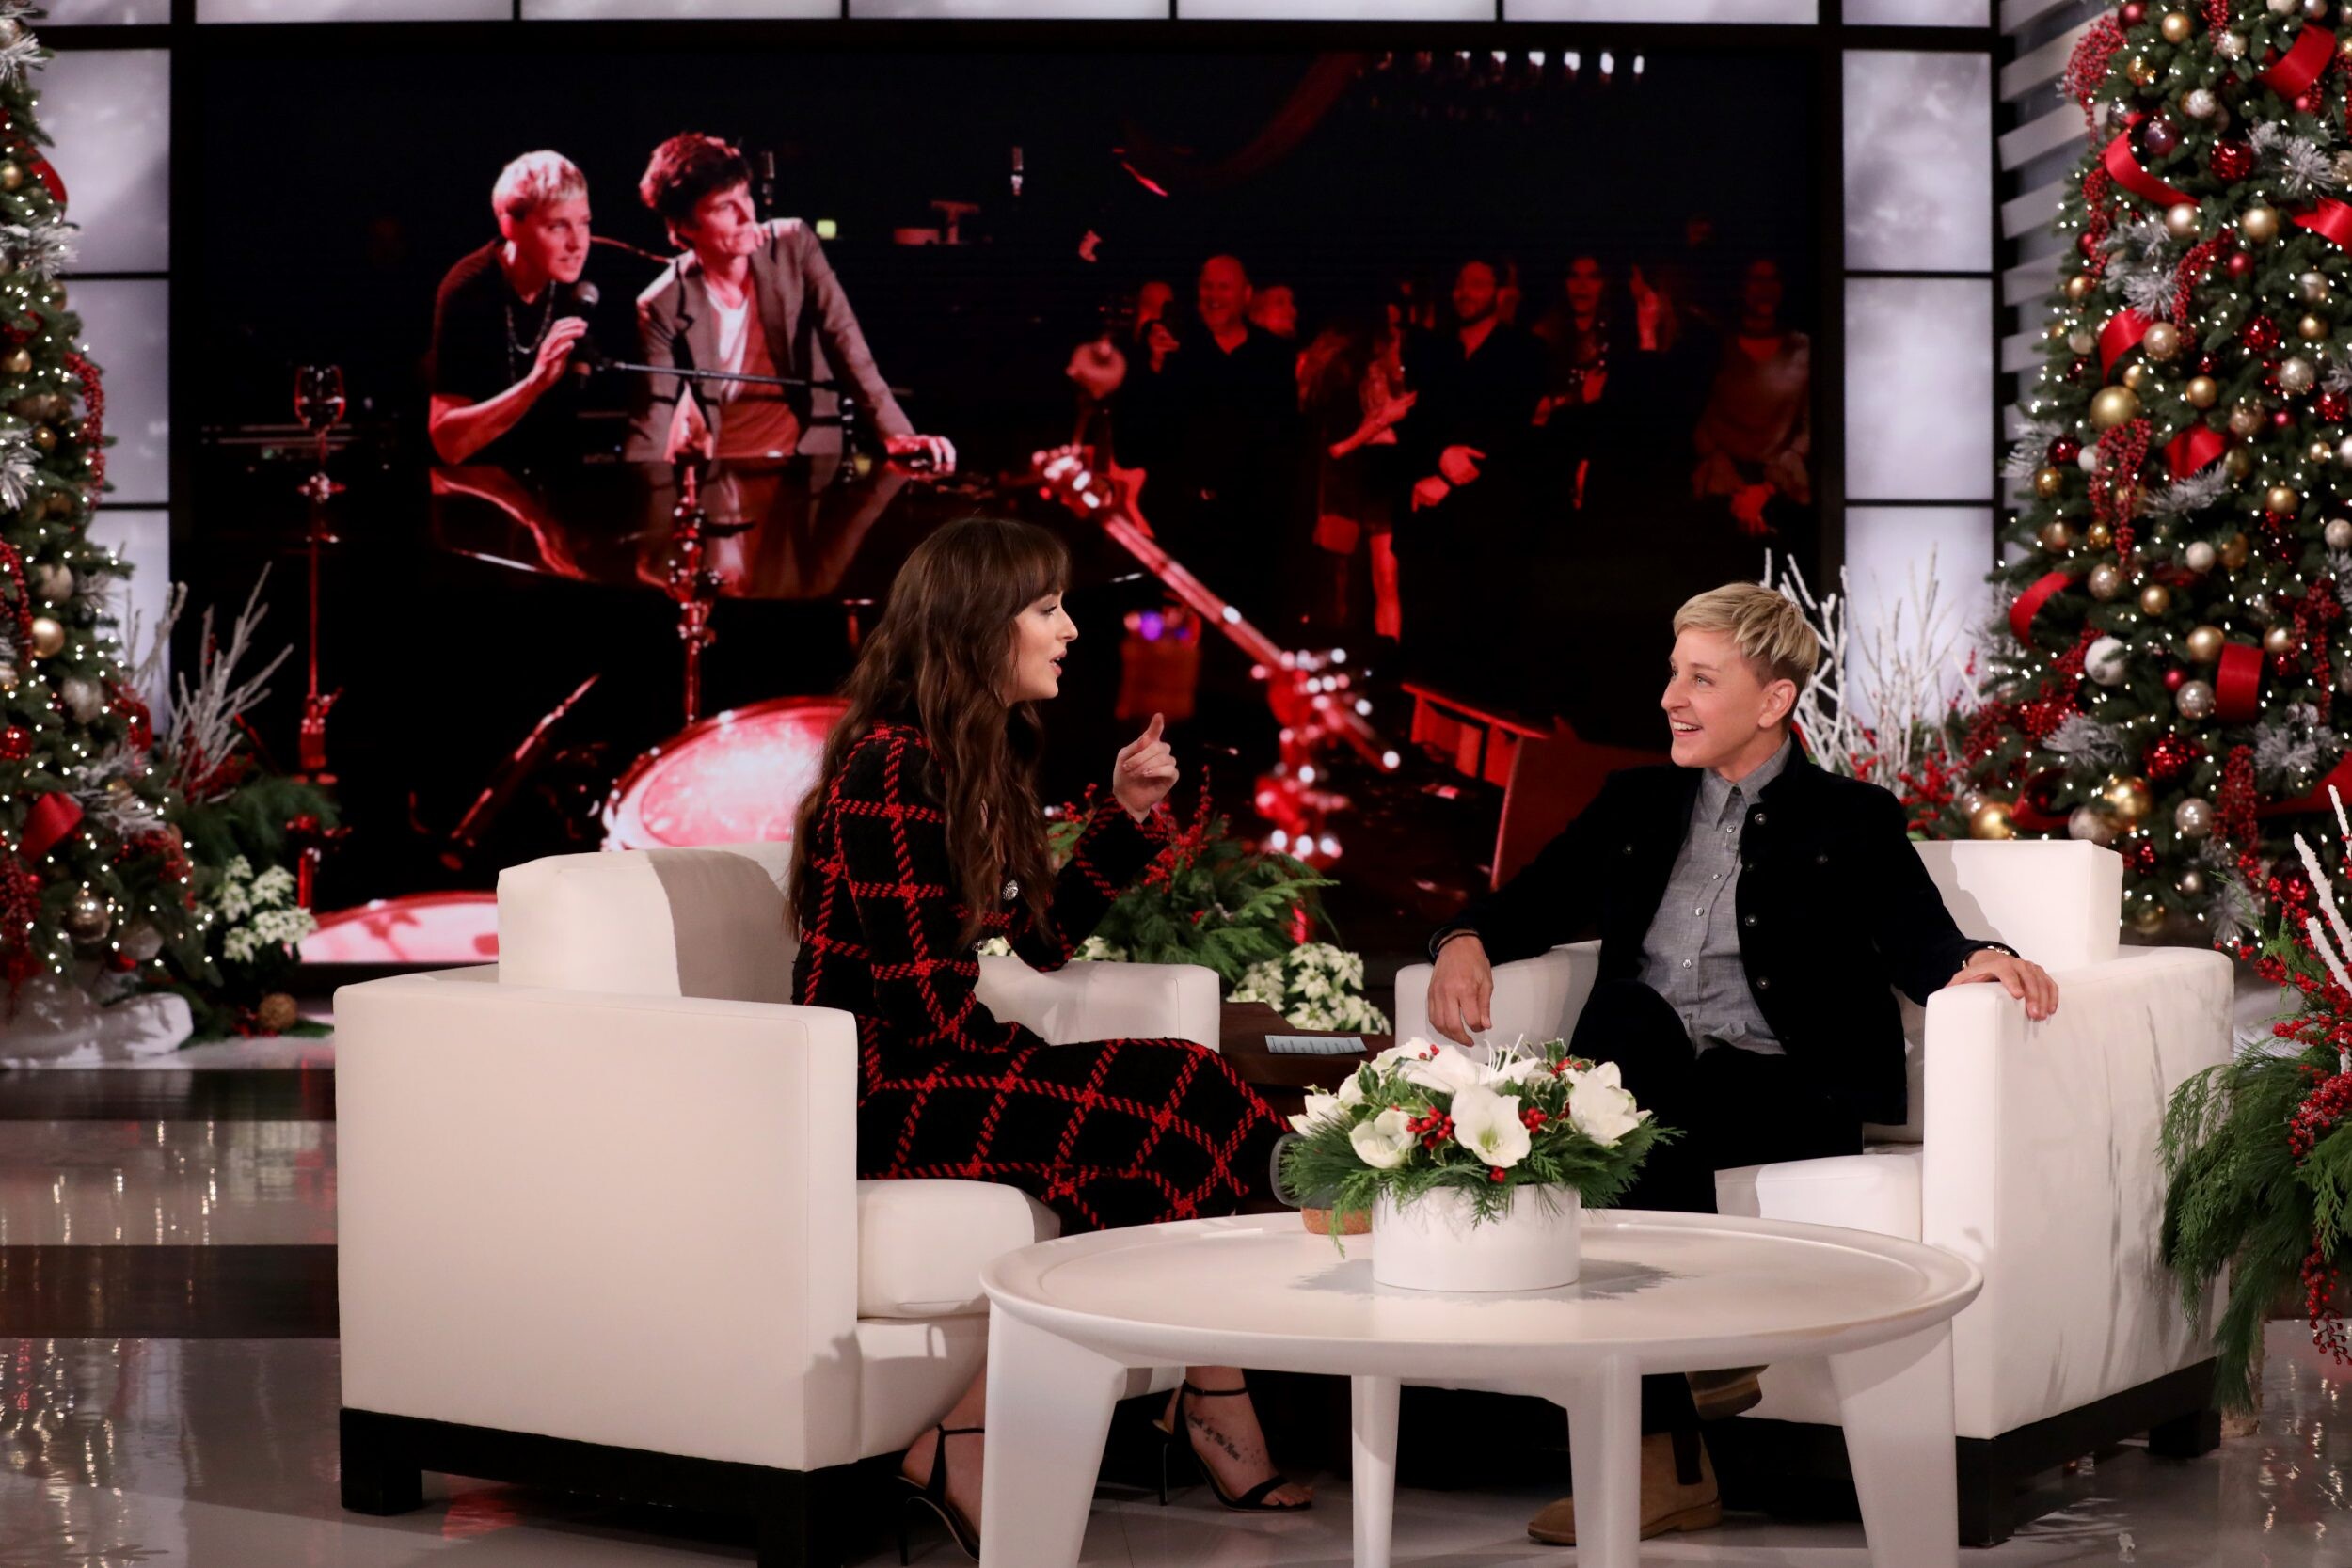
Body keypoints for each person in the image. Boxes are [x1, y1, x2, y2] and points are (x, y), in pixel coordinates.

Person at [1422, 581, 2059, 1546]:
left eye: (1700, 678)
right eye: (1673, 673)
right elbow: (1527, 904)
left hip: (1785, 1086)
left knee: (1622, 1104)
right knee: (1628, 1033)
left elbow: (1920, 940)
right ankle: (1692, 1397)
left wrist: (1984, 959)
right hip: (1644, 1074)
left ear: (1773, 699)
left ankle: (1666, 1459)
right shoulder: (1634, 802)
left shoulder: (1851, 817)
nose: (1670, 698)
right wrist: (1462, 939)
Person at [788, 516, 1311, 1558]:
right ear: (977, 625)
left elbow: (1036, 944)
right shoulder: (893, 766)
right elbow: (917, 1007)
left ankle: (1113, 1402)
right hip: (879, 1092)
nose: (1069, 629)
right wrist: (1034, 1062)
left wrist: (1123, 814)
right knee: (1170, 1098)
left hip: (942, 1063)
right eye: (1045, 609)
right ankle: (1224, 1345)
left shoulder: (968, 756)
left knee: (1179, 1097)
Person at [625, 133, 955, 471]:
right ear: (684, 227)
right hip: (722, 470)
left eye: (745, 196)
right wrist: (637, 490)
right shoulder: (662, 303)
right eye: (724, 207)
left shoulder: (793, 245)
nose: (746, 215)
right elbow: (654, 414)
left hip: (808, 464)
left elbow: (845, 340)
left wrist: (898, 434)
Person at [1116, 254, 1300, 618]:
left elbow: (1285, 446)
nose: (1214, 296)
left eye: (1223, 287)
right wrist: (1155, 367)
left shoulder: (1273, 357)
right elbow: (1134, 442)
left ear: (1246, 294)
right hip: (1183, 529)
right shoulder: (1175, 351)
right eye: (1207, 287)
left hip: (1250, 533)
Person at [427, 150, 604, 468]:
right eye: (557, 226)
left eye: (584, 223)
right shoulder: (469, 291)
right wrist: (535, 384)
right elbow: (448, 444)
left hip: (555, 476)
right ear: (509, 226)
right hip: (477, 480)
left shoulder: (577, 277)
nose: (578, 244)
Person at [1691, 257, 1810, 542]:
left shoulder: (1803, 349)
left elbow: (1812, 426)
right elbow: (1696, 416)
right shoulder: (1716, 347)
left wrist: (1766, 490)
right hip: (1720, 482)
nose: (1765, 289)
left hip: (1783, 485)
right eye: (1756, 280)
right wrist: (1737, 488)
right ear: (1741, 287)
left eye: (1772, 280)